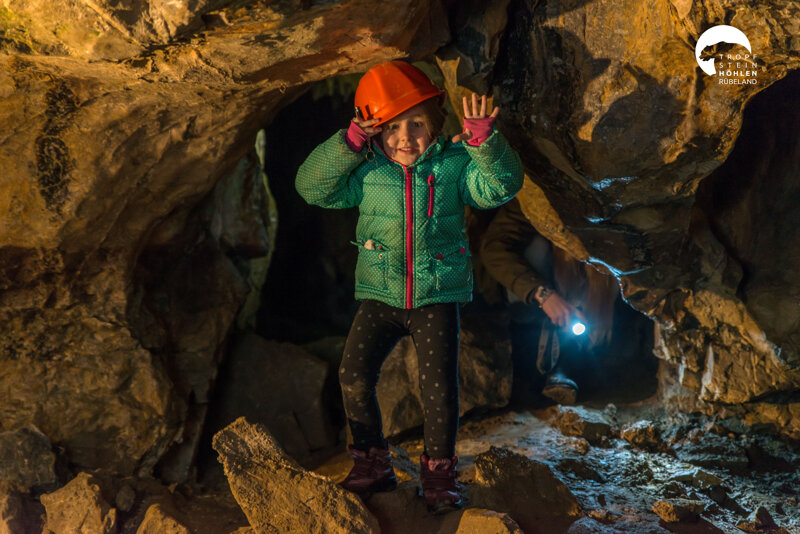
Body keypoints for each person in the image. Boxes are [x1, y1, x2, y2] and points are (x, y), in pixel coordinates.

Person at [295, 60, 523, 513]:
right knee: (353, 375)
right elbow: (311, 187)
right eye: (392, 126)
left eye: (416, 123)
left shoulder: (456, 165)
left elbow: (500, 187)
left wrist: (484, 145)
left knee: (438, 386)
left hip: (436, 296)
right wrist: (349, 143)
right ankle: (372, 463)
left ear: (435, 123)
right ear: (375, 131)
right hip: (380, 294)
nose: (405, 137)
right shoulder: (366, 171)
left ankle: (439, 476)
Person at [480, 198, 618, 405]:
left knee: (607, 269)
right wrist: (542, 294)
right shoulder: (533, 197)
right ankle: (534, 361)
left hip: (576, 297)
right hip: (529, 298)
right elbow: (495, 249)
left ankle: (572, 357)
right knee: (536, 249)